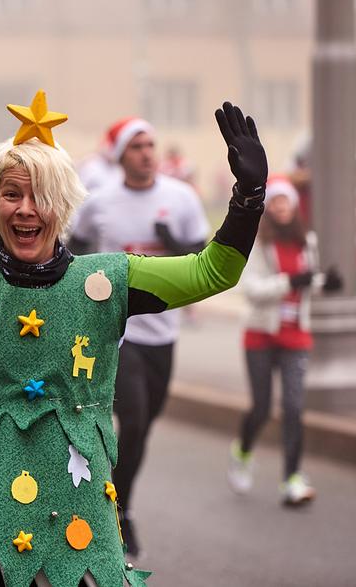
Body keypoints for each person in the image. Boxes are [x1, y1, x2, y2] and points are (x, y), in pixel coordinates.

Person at [0, 87, 268, 586]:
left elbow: (214, 272)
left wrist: (249, 198)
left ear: (63, 205)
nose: (25, 209)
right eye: (12, 193)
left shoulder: (108, 281)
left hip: (75, 515)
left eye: (40, 195)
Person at [69, 117, 210, 559]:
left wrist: (177, 247)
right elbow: (71, 253)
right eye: (137, 146)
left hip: (163, 333)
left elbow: (206, 263)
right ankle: (118, 511)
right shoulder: (99, 203)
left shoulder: (181, 198)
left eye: (151, 145)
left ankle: (114, 498)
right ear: (121, 156)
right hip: (118, 331)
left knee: (144, 427)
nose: (147, 153)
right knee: (132, 421)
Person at [228, 177, 340, 506]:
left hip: (296, 335)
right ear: (269, 209)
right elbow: (253, 291)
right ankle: (243, 450)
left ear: (294, 206)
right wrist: (290, 281)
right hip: (261, 334)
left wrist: (323, 282)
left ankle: (292, 478)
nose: (281, 207)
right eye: (275, 202)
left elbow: (305, 280)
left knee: (293, 407)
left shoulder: (308, 241)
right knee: (261, 408)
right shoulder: (258, 244)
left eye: (285, 201)